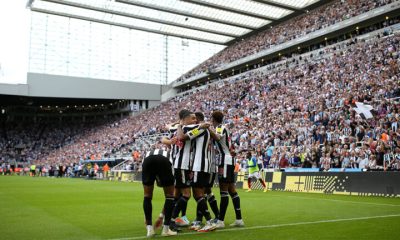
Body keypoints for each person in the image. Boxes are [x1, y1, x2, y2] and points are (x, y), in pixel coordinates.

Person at [209, 110, 244, 228]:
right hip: (228, 160)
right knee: (232, 190)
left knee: (223, 191)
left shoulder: (219, 127)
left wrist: (208, 129)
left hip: (224, 161)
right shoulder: (223, 127)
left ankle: (221, 221)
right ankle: (239, 219)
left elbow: (218, 137)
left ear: (214, 119)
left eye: (211, 119)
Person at [142, 148, 177, 237]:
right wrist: (161, 216)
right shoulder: (171, 156)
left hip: (147, 160)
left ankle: (149, 230)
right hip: (164, 160)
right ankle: (165, 230)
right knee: (170, 196)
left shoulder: (149, 153)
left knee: (147, 196)